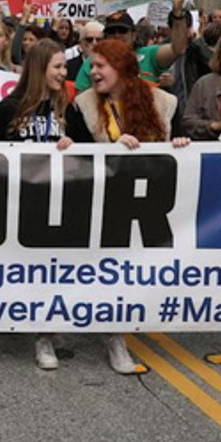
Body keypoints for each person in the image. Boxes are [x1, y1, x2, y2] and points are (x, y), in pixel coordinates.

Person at [64, 38, 189, 373]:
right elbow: (78, 159)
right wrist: (107, 149)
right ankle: (115, 337)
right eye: (91, 65)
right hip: (105, 204)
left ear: (121, 68)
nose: (92, 72)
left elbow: (177, 147)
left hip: (151, 202)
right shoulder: (83, 106)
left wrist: (181, 143)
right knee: (112, 272)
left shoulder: (165, 103)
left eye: (100, 66)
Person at [0, 39, 73, 369]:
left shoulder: (67, 108)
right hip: (17, 205)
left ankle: (44, 337)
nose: (64, 73)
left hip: (57, 204)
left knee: (49, 273)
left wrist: (72, 143)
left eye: (64, 67)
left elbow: (86, 153)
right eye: (57, 67)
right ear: (39, 69)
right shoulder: (9, 108)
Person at [74, 0, 188, 91]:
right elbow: (82, 100)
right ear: (105, 36)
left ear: (133, 35)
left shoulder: (149, 55)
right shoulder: (93, 63)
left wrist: (178, 12)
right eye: (112, 31)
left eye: (122, 30)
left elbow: (178, 49)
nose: (117, 35)